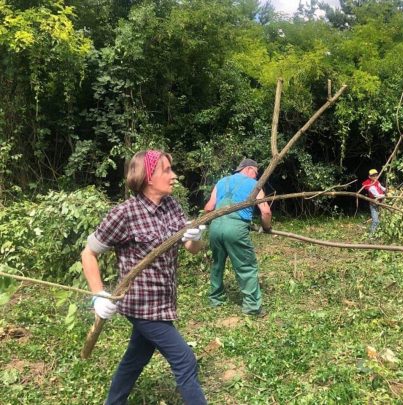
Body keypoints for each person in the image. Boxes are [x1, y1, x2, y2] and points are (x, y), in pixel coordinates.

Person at [81, 150, 207, 405]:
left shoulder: (171, 206)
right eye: (167, 170)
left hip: (164, 302)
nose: (174, 175)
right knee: (185, 360)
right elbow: (88, 253)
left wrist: (195, 237)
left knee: (136, 358)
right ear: (148, 177)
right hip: (141, 306)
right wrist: (98, 295)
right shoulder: (124, 214)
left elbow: (191, 248)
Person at [204, 158, 272, 316]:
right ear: (248, 169)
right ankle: (252, 307)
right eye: (256, 173)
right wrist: (266, 227)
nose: (256, 176)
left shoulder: (222, 181)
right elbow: (266, 212)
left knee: (217, 264)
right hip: (235, 229)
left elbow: (208, 208)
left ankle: (216, 299)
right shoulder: (254, 185)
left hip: (215, 226)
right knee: (246, 266)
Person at [361, 168, 386, 235]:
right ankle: (371, 235)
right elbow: (377, 195)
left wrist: (387, 190)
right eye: (373, 175)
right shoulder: (369, 185)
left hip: (380, 203)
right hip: (374, 204)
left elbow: (382, 188)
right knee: (375, 221)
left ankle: (377, 233)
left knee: (381, 219)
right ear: (369, 176)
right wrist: (385, 195)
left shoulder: (376, 182)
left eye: (376, 175)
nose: (375, 177)